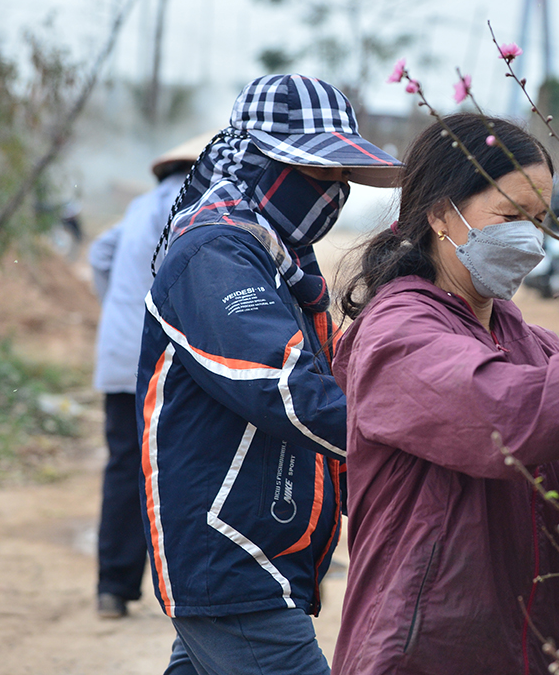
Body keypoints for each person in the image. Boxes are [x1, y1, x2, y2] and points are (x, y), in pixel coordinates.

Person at [331, 113, 559, 675]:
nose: (530, 236)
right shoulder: (397, 334)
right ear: (438, 214)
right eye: (510, 216)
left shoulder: (537, 347)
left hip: (537, 651)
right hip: (424, 657)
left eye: (539, 219)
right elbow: (498, 410)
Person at [136, 74, 401, 675]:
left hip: (264, 543)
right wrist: (406, 436)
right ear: (257, 161)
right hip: (230, 550)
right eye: (319, 174)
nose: (333, 195)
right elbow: (288, 388)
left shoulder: (281, 259)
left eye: (343, 180)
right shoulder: (215, 253)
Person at [89, 131, 210, 619]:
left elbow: (100, 254)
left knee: (123, 467)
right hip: (161, 363)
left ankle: (112, 589)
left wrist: (117, 310)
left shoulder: (141, 205)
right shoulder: (194, 203)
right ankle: (188, 589)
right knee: (176, 468)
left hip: (119, 355)